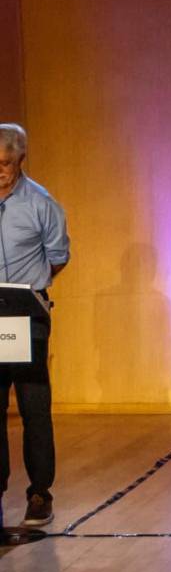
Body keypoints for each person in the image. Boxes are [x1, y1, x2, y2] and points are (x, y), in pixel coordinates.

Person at [0, 123, 70, 530]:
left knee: (33, 405)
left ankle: (40, 493)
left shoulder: (41, 203)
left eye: (5, 164)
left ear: (21, 160)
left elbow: (58, 257)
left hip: (28, 315)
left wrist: (32, 287)